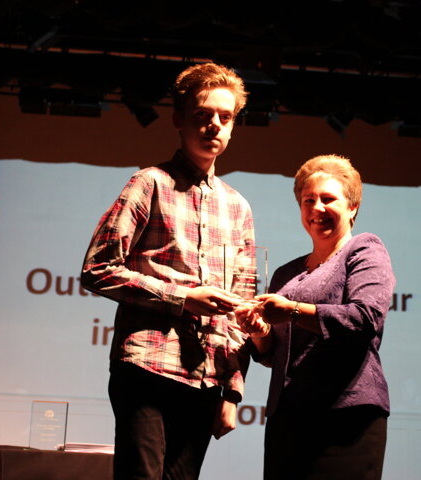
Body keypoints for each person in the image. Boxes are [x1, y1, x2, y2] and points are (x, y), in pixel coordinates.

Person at [81, 62, 255, 480]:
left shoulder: (238, 207)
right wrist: (182, 297)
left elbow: (242, 309)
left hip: (204, 379)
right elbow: (97, 268)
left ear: (233, 126)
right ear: (179, 119)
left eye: (225, 117)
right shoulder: (149, 184)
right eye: (202, 114)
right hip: (147, 365)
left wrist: (232, 392)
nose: (214, 125)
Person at [236, 154, 396, 480]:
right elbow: (272, 355)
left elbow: (365, 318)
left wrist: (292, 310)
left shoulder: (364, 249)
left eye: (328, 199)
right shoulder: (286, 273)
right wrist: (259, 331)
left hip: (345, 417)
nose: (316, 208)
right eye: (308, 200)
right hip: (287, 420)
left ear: (352, 208)